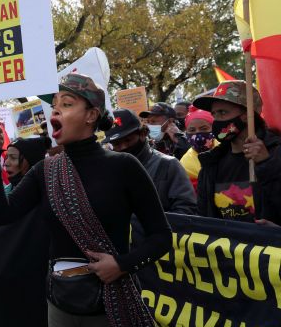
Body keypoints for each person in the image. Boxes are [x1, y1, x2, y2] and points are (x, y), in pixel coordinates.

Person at [0, 73, 170, 327]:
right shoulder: (44, 171)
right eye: (55, 103)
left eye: (67, 103)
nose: (56, 109)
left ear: (91, 115)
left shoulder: (124, 166)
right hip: (60, 307)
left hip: (109, 305)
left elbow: (161, 237)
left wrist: (122, 265)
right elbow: (0, 215)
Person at [193, 80, 281, 226]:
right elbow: (204, 218)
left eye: (223, 112)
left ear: (247, 115)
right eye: (214, 114)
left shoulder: (276, 152)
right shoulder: (211, 162)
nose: (216, 120)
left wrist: (267, 164)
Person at [103, 108, 196, 214]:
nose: (123, 147)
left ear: (143, 133)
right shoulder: (110, 171)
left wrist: (155, 224)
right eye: (117, 144)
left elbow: (186, 208)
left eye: (128, 140)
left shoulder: (168, 165)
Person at [179, 106, 218, 191]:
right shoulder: (184, 163)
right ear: (186, 133)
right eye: (192, 130)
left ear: (214, 129)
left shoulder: (227, 150)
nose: (197, 133)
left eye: (204, 129)